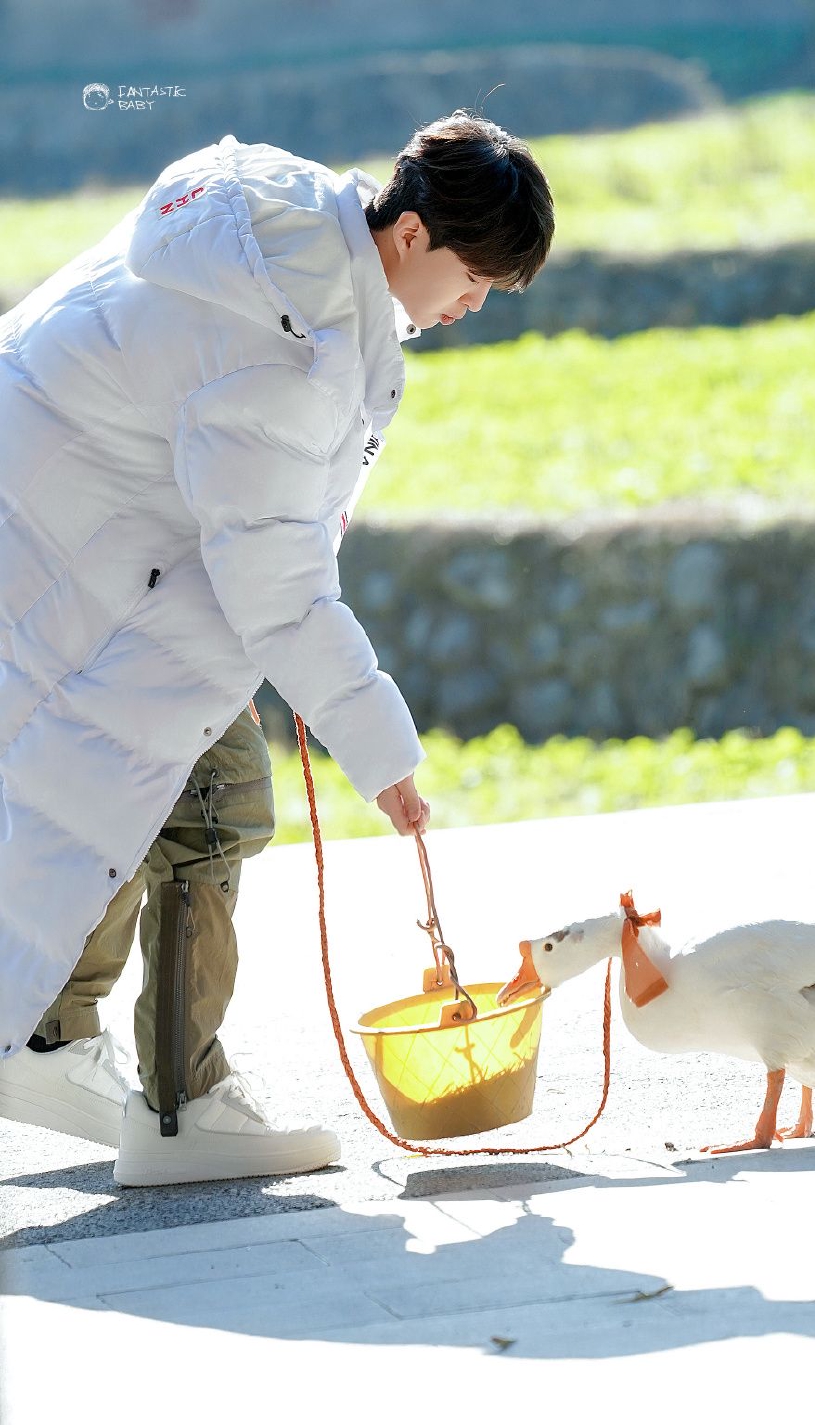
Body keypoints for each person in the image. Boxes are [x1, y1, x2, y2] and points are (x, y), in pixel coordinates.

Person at [0, 112, 554, 1185]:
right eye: (475, 278)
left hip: (54, 511)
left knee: (140, 785)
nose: (473, 305)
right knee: (215, 801)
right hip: (74, 557)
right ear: (410, 237)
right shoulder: (291, 346)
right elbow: (281, 589)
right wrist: (382, 754)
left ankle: (55, 1038)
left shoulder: (271, 214)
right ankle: (182, 1110)